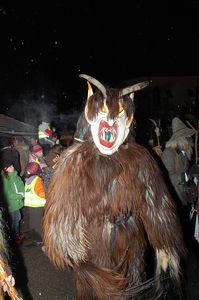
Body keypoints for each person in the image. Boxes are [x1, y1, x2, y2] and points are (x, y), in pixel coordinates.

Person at [43, 74, 186, 299]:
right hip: (94, 250)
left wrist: (165, 246)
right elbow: (61, 213)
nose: (110, 123)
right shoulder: (74, 161)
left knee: (132, 289)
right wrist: (73, 250)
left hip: (132, 249)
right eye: (103, 116)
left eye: (117, 117)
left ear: (127, 122)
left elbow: (155, 204)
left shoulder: (141, 160)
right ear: (91, 118)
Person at [161, 117, 195, 206]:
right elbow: (170, 179)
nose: (190, 137)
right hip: (175, 203)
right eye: (186, 135)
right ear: (180, 138)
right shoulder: (168, 153)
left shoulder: (181, 152)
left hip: (183, 198)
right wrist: (188, 175)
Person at [1, 160, 25, 245]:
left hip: (17, 203)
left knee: (17, 218)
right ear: (5, 169)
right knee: (13, 221)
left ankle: (16, 234)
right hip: (11, 205)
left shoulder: (15, 176)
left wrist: (23, 192)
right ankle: (13, 237)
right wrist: (21, 195)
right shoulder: (5, 180)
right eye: (10, 167)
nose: (12, 167)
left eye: (12, 165)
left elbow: (21, 185)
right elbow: (9, 194)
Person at [24, 162, 46, 245]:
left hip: (30, 204)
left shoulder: (28, 180)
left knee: (32, 222)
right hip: (38, 204)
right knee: (38, 223)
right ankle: (40, 239)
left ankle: (33, 237)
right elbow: (41, 193)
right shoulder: (37, 180)